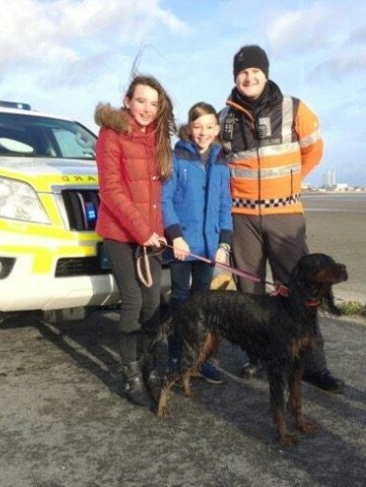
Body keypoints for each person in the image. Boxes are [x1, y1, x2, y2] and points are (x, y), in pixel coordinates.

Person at [219, 45, 345, 393]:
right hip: (242, 218)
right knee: (250, 293)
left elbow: (314, 149)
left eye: (255, 71)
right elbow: (218, 164)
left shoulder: (294, 108)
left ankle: (313, 366)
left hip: (285, 214)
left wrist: (292, 182)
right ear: (235, 77)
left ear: (266, 72)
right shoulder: (223, 117)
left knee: (300, 291)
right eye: (243, 72)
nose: (249, 77)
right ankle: (259, 357)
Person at [94, 75, 175, 408]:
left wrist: (160, 233)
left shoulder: (157, 137)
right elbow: (111, 190)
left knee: (153, 302)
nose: (147, 109)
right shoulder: (111, 135)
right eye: (141, 101)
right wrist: (143, 232)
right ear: (127, 100)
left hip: (151, 235)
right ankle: (131, 376)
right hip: (119, 233)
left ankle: (150, 367)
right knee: (132, 302)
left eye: (154, 104)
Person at [161, 102, 233, 385]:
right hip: (182, 246)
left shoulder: (221, 160)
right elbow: (165, 199)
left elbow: (225, 206)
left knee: (205, 306)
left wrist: (224, 244)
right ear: (190, 128)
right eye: (198, 126)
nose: (203, 132)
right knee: (180, 301)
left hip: (209, 247)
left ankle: (202, 360)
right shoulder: (177, 156)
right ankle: (176, 358)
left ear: (217, 128)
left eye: (209, 127)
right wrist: (175, 236)